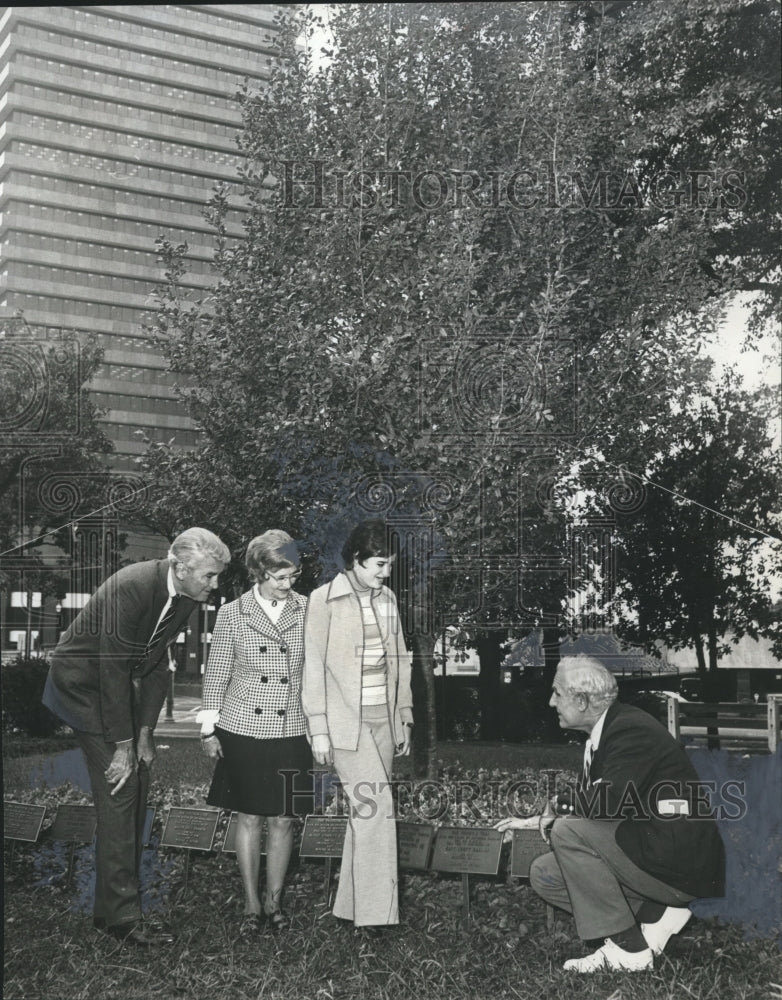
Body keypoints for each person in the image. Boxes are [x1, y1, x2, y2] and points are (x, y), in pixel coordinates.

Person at [42, 527, 230, 946]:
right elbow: (111, 670)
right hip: (82, 687)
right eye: (209, 576)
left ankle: (109, 909)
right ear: (181, 568)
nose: (214, 585)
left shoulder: (184, 595)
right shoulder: (132, 586)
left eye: (217, 576)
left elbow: (158, 666)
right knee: (121, 790)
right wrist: (124, 747)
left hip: (116, 688)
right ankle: (121, 919)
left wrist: (145, 732)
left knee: (137, 786)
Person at [495, 655, 725, 973]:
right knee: (545, 874)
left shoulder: (630, 730)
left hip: (675, 862)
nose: (551, 702)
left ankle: (628, 950)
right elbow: (599, 806)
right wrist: (536, 821)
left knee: (568, 831)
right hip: (651, 850)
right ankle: (655, 914)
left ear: (583, 699)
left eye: (557, 693)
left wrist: (555, 807)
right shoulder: (607, 733)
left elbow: (609, 801)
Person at [199, 530, 313, 936]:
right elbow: (216, 673)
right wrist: (208, 730)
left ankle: (274, 901)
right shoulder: (232, 613)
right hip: (243, 726)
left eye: (293, 576)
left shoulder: (308, 609)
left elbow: (316, 672)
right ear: (260, 572)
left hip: (292, 727)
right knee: (248, 817)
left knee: (283, 819)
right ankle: (251, 905)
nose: (289, 585)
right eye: (280, 577)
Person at [302, 518, 414, 931]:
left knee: (365, 815)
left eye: (390, 565)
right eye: (380, 564)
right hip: (344, 723)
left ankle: (349, 908)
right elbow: (313, 667)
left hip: (383, 720)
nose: (386, 573)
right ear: (355, 560)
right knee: (376, 808)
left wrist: (404, 716)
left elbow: (400, 661)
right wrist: (319, 728)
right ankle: (377, 919)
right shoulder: (323, 600)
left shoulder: (388, 600)